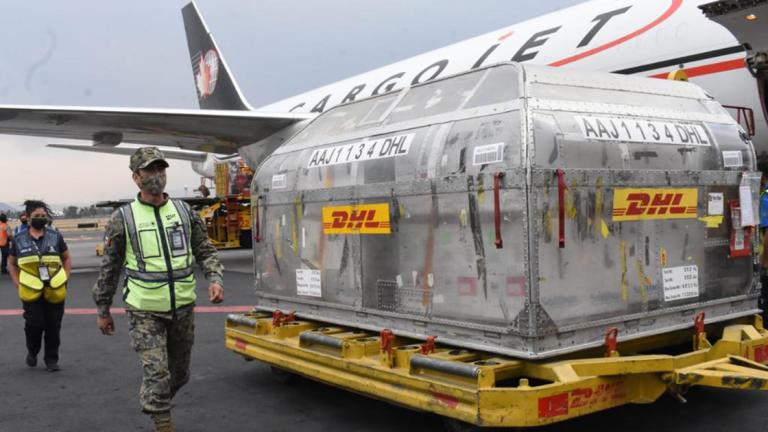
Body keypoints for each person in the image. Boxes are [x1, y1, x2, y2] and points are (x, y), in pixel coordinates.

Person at [93, 147, 224, 432]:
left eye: (160, 170)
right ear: (136, 178)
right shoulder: (123, 219)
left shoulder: (184, 212)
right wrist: (103, 309)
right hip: (144, 309)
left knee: (179, 374)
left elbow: (204, 250)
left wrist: (215, 278)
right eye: (150, 171)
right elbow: (110, 268)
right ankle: (162, 423)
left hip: (183, 307)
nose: (157, 176)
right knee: (157, 371)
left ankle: (153, 398)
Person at [7, 200, 71, 371]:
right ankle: (32, 351)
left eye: (43, 216)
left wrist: (65, 277)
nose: (41, 218)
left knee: (53, 325)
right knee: (34, 324)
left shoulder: (55, 236)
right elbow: (11, 263)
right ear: (28, 217)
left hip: (54, 288)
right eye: (37, 216)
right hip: (30, 289)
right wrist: (17, 282)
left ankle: (51, 360)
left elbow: (66, 258)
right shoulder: (19, 239)